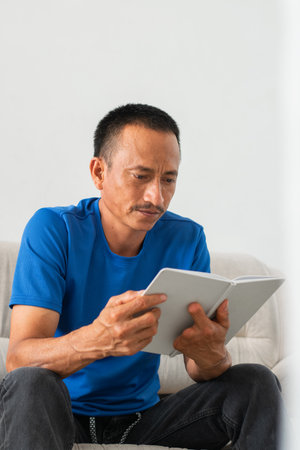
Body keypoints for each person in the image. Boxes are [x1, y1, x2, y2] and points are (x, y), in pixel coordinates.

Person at [0, 104, 283, 449]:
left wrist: (212, 354)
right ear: (99, 172)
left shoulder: (188, 238)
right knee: (31, 384)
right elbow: (19, 359)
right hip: (59, 412)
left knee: (256, 381)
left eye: (168, 179)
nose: (156, 197)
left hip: (146, 419)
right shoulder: (53, 229)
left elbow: (198, 368)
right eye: (141, 176)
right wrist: (97, 340)